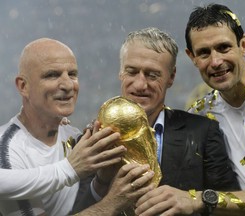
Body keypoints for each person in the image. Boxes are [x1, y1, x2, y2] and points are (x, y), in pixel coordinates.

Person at [83, 27, 238, 216]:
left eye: (152, 75)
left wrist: (194, 199)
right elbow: (75, 208)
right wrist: (101, 183)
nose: (140, 85)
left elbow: (231, 205)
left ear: (171, 77)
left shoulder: (202, 132)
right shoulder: (92, 137)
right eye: (132, 72)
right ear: (120, 73)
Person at [0, 38, 151, 216]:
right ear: (23, 86)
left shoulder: (71, 134)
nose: (68, 85)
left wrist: (102, 181)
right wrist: (112, 203)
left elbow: (76, 208)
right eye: (52, 75)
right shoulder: (8, 152)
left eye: (72, 74)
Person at [166, 3, 245, 216]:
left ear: (243, 44)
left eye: (223, 48)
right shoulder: (199, 115)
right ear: (192, 57)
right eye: (204, 53)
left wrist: (204, 199)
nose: (215, 61)